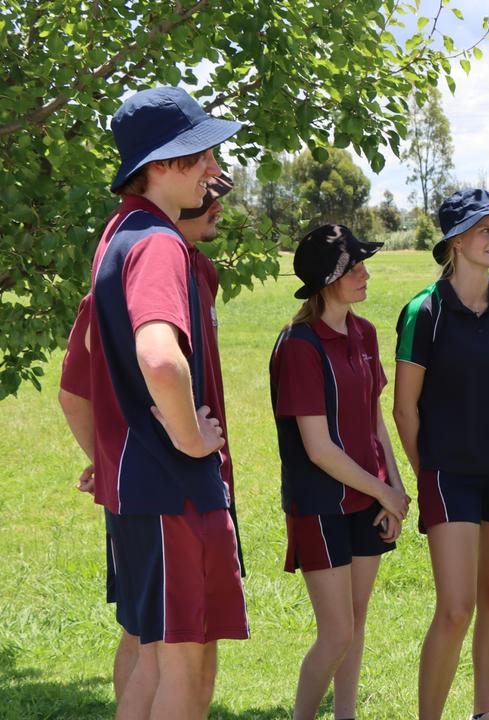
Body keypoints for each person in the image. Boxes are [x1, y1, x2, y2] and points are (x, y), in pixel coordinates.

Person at [88, 85, 246, 718]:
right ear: (158, 167)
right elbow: (158, 355)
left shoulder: (117, 236)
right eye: (198, 155)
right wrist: (191, 438)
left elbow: (82, 383)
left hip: (140, 492)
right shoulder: (158, 243)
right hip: (174, 489)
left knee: (157, 661)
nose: (213, 169)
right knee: (189, 663)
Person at [393, 189, 489, 720]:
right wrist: (427, 475)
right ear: (455, 241)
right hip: (448, 475)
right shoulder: (424, 312)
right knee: (456, 609)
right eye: (485, 230)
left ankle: (485, 713)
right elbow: (404, 410)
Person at [270, 224, 410, 720]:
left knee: (357, 618)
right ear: (327, 280)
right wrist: (384, 492)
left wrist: (393, 487)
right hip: (320, 504)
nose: (365, 275)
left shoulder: (365, 333)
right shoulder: (299, 346)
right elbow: (319, 449)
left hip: (367, 499)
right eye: (354, 269)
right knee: (336, 633)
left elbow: (374, 418)